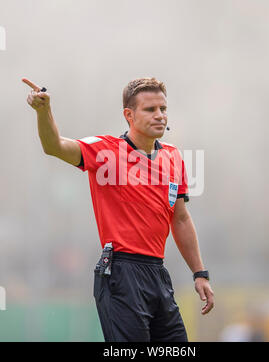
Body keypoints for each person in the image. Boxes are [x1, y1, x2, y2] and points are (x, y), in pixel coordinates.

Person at [22, 76, 214, 342]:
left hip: (158, 273)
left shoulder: (173, 156)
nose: (160, 115)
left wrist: (199, 273)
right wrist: (44, 112)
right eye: (150, 109)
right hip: (121, 273)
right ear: (129, 115)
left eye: (163, 109)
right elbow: (54, 146)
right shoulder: (105, 151)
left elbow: (180, 219)